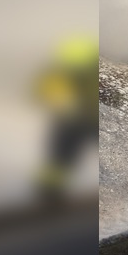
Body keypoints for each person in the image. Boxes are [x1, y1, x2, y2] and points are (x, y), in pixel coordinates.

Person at [34, 34, 99, 202]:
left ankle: (50, 195)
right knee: (60, 161)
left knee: (60, 161)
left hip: (85, 120)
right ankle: (49, 196)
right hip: (72, 121)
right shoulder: (65, 70)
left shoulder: (78, 65)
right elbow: (47, 92)